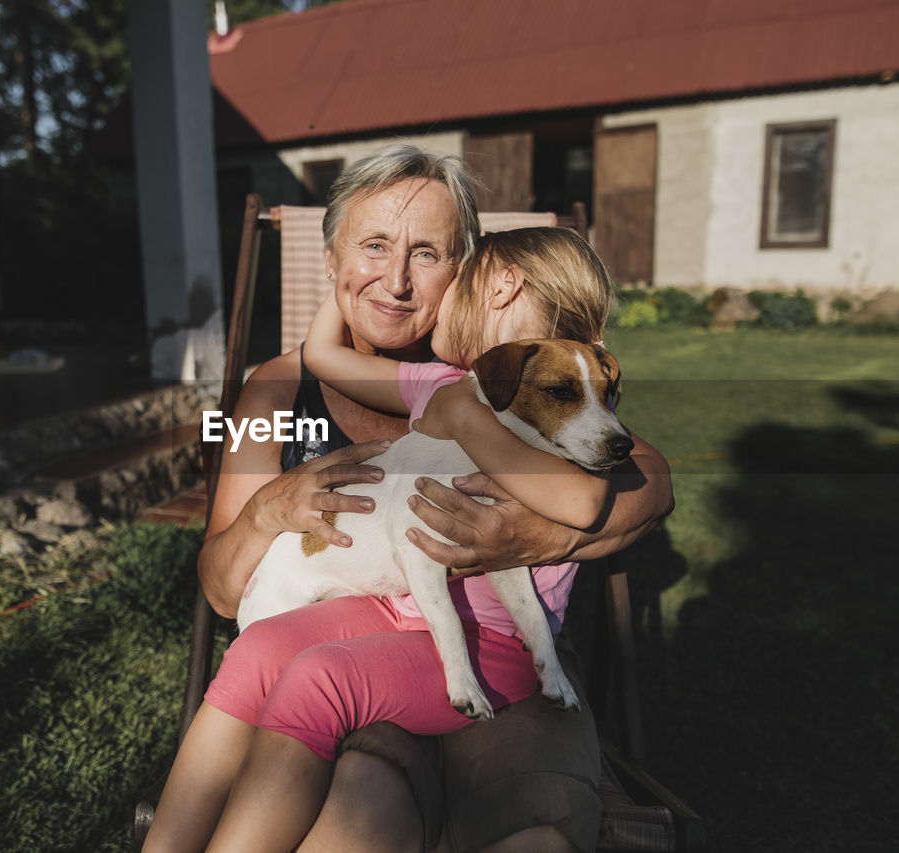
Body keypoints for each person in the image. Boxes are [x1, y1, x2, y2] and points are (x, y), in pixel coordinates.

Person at [143, 145, 673, 852]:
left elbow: (650, 478)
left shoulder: (497, 371)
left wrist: (535, 536)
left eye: (426, 253)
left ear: (465, 270)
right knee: (352, 787)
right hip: (342, 639)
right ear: (330, 263)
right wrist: (269, 509)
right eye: (372, 246)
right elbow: (217, 588)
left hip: (483, 654)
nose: (394, 279)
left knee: (475, 818)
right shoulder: (272, 392)